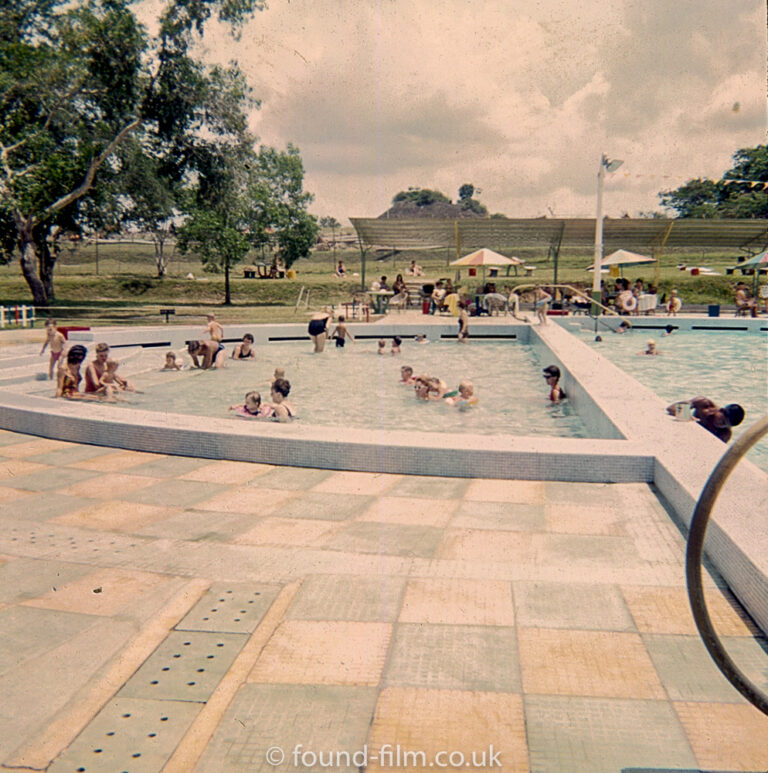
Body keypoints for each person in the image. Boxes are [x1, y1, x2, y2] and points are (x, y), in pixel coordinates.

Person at [666, 398, 744, 442]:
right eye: (722, 421)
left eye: (725, 426)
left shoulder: (725, 433)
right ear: (721, 410)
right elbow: (671, 408)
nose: (720, 425)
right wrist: (687, 417)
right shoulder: (704, 404)